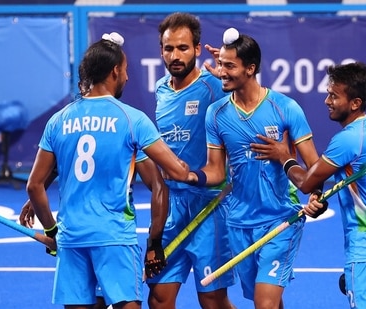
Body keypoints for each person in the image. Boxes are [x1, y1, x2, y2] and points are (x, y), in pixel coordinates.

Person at [26, 32, 190, 309]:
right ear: (115, 71)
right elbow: (177, 172)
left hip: (72, 237)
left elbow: (34, 186)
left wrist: (53, 232)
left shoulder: (58, 120)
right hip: (114, 237)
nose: (126, 77)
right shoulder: (132, 119)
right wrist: (186, 166)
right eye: (125, 71)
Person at [250, 61, 366, 308]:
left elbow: (306, 183)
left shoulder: (347, 140)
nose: (327, 100)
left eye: (334, 96)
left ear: (355, 103)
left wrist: (284, 156)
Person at [183, 28, 324, 309]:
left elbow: (314, 166)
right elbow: (216, 171)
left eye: (229, 66)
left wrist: (317, 196)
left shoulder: (285, 108)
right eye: (220, 64)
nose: (220, 71)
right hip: (238, 223)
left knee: (264, 303)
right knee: (266, 299)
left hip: (280, 220)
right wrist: (189, 176)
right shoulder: (217, 114)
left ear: (251, 68)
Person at [145, 13, 236, 309]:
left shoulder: (214, 88)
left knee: (212, 301)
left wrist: (230, 80)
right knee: (159, 298)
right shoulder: (160, 89)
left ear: (197, 49)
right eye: (168, 48)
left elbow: (246, 105)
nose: (175, 55)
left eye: (183, 48)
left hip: (209, 207)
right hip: (171, 208)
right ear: (161, 51)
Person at [19, 151, 168, 309]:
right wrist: (154, 243)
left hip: (74, 235)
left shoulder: (59, 127)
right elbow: (162, 184)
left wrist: (51, 229)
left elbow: (37, 184)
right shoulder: (131, 129)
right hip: (115, 236)